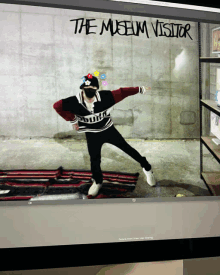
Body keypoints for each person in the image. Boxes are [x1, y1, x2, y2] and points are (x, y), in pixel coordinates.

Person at [53, 74, 156, 197]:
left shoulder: (106, 97)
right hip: (92, 134)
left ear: (96, 88)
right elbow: (57, 106)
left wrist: (140, 89)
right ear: (82, 89)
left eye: (93, 87)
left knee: (127, 149)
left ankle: (147, 168)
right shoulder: (73, 102)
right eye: (87, 88)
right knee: (94, 159)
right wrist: (72, 119)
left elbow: (122, 92)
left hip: (108, 130)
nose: (89, 90)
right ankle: (97, 181)